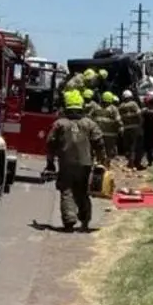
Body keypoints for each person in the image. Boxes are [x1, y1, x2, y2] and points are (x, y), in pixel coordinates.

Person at [45, 89, 106, 232]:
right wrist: (102, 160)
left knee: (66, 191)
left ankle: (69, 221)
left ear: (66, 107)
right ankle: (85, 221)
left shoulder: (59, 124)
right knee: (83, 192)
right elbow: (99, 142)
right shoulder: (89, 123)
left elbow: (50, 144)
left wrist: (50, 163)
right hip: (85, 164)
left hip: (66, 164)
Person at [117, 89, 143, 170]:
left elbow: (119, 118)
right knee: (135, 145)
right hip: (135, 128)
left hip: (126, 128)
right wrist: (141, 125)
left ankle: (130, 161)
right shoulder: (133, 104)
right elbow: (139, 115)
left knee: (127, 146)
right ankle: (133, 163)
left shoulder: (120, 106)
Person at [92, 91, 123, 160]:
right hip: (110, 135)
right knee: (109, 151)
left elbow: (91, 119)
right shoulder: (113, 109)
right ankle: (107, 165)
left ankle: (100, 163)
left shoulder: (96, 108)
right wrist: (120, 128)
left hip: (99, 134)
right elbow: (118, 120)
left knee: (99, 150)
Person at [140, 95, 153, 168]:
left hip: (147, 132)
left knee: (149, 148)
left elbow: (141, 122)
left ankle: (150, 161)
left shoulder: (144, 112)